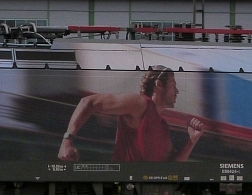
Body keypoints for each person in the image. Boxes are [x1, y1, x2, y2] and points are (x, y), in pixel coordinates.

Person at [58, 65, 205, 162]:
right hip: (123, 183)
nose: (177, 91)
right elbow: (88, 102)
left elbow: (171, 169)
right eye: (173, 86)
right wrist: (67, 142)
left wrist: (192, 140)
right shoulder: (140, 104)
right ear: (159, 85)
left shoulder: (163, 127)